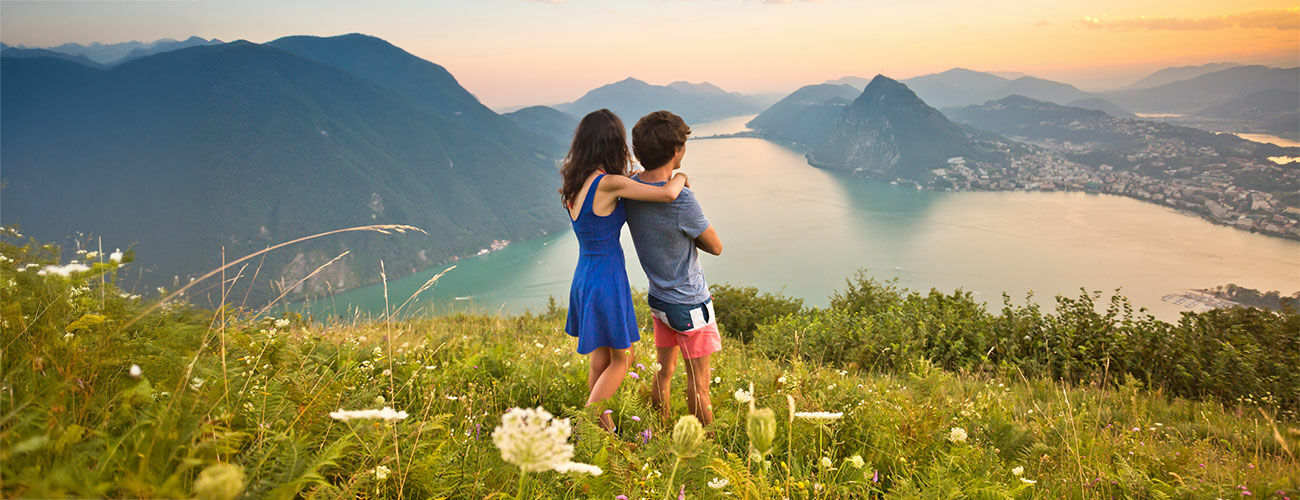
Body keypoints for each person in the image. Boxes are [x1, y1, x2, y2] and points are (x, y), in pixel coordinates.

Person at [560, 108, 690, 432]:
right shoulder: (609, 183)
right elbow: (667, 193)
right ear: (611, 143)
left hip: (585, 274)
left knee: (601, 358)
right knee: (624, 359)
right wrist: (682, 176)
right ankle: (585, 427)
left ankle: (603, 432)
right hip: (607, 278)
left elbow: (630, 186)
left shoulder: (577, 183)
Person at [624, 110, 724, 426]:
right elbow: (716, 246)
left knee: (663, 372)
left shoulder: (630, 190)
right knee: (699, 384)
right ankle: (706, 449)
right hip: (690, 302)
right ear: (675, 150)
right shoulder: (682, 201)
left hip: (659, 301)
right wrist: (682, 182)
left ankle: (661, 428)